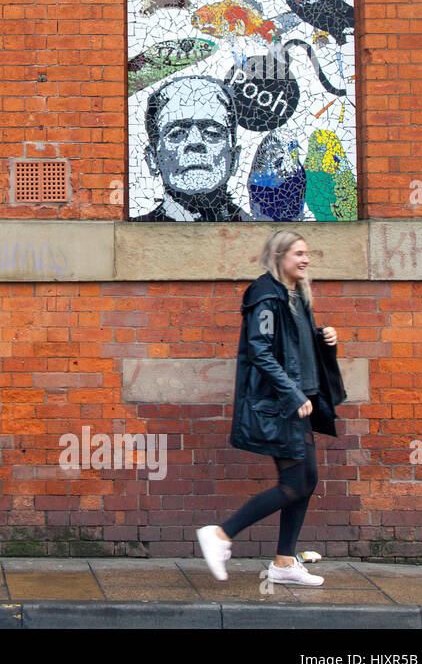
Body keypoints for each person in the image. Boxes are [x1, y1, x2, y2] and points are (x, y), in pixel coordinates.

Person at [197, 230, 345, 586]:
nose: (305, 260)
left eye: (307, 253)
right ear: (279, 257)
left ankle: (283, 562)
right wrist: (293, 395)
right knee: (294, 484)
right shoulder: (265, 297)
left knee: (306, 481)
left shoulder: (294, 296)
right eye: (298, 253)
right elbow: (261, 351)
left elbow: (292, 348)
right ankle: (220, 534)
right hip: (281, 405)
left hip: (299, 403)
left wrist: (324, 338)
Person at [133, 75, 254, 222]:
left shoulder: (258, 229)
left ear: (234, 158)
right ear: (152, 159)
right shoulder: (135, 231)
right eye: (177, 133)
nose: (195, 143)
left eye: (212, 133)